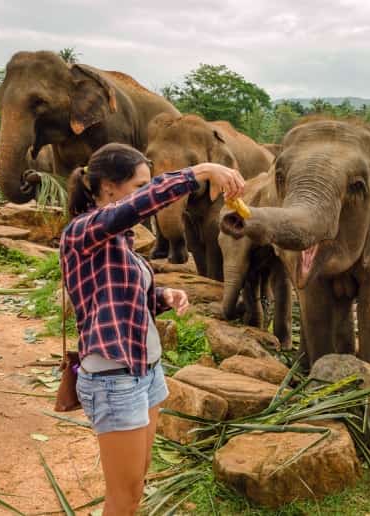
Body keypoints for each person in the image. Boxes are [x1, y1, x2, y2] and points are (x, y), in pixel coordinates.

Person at [60, 142, 244, 515]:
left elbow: (115, 299)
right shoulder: (83, 231)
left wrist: (162, 295)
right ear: (109, 187)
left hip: (147, 372)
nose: (145, 193)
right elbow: (139, 206)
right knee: (123, 499)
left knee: (136, 486)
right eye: (139, 184)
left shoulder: (121, 243)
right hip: (114, 379)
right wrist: (200, 171)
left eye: (148, 184)